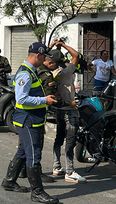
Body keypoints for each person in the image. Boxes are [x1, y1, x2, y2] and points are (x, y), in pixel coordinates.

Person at [1, 42, 58, 204]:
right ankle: (37, 192)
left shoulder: (32, 72)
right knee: (33, 155)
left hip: (33, 119)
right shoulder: (25, 74)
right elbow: (22, 98)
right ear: (38, 55)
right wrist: (44, 100)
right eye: (44, 57)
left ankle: (9, 181)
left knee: (23, 152)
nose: (45, 60)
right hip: (28, 120)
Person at [51, 41, 87, 183]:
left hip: (58, 109)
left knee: (59, 138)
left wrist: (54, 46)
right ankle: (70, 171)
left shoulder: (51, 72)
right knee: (70, 140)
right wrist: (63, 44)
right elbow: (76, 55)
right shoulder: (66, 71)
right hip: (69, 109)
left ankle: (56, 167)